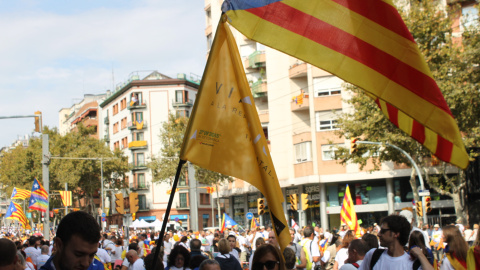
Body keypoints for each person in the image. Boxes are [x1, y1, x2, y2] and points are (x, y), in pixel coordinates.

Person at [358, 215, 433, 270]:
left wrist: (421, 255)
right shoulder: (373, 255)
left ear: (396, 234)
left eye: (383, 231)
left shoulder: (412, 264)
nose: (379, 234)